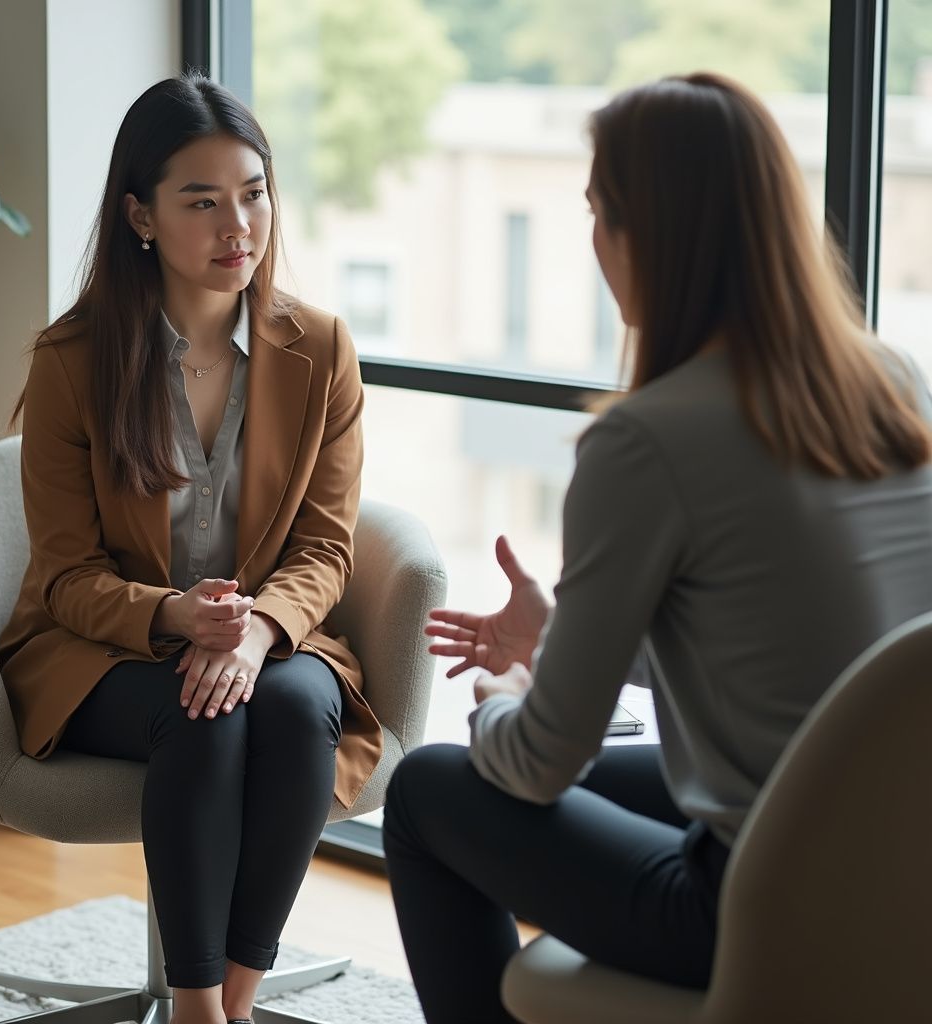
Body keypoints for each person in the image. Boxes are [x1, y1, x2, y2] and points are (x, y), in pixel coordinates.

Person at [382, 72, 932, 1023]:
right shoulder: (891, 384)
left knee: (434, 785)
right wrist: (560, 645)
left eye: (600, 213)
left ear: (654, 233)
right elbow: (780, 642)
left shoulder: (645, 440)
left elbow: (541, 763)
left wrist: (504, 702)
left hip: (758, 910)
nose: (593, 245)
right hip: (902, 871)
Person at [0, 74, 381, 1024]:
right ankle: (199, 1012)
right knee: (200, 711)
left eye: (252, 193)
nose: (235, 226)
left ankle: (233, 1004)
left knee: (290, 708)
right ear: (140, 216)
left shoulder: (320, 349)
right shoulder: (71, 361)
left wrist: (253, 636)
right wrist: (175, 618)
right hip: (104, 654)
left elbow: (327, 549)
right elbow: (65, 576)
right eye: (201, 201)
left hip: (273, 640)